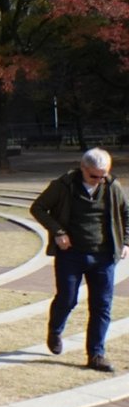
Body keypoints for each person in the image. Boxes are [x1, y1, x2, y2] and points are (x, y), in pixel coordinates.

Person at [29, 147, 128, 373]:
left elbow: (126, 213)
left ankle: (96, 354)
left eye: (104, 175)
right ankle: (55, 329)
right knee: (67, 298)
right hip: (71, 254)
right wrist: (58, 231)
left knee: (102, 305)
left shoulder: (112, 186)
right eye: (94, 175)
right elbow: (38, 208)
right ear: (83, 168)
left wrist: (126, 242)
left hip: (103, 255)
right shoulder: (63, 186)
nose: (100, 180)